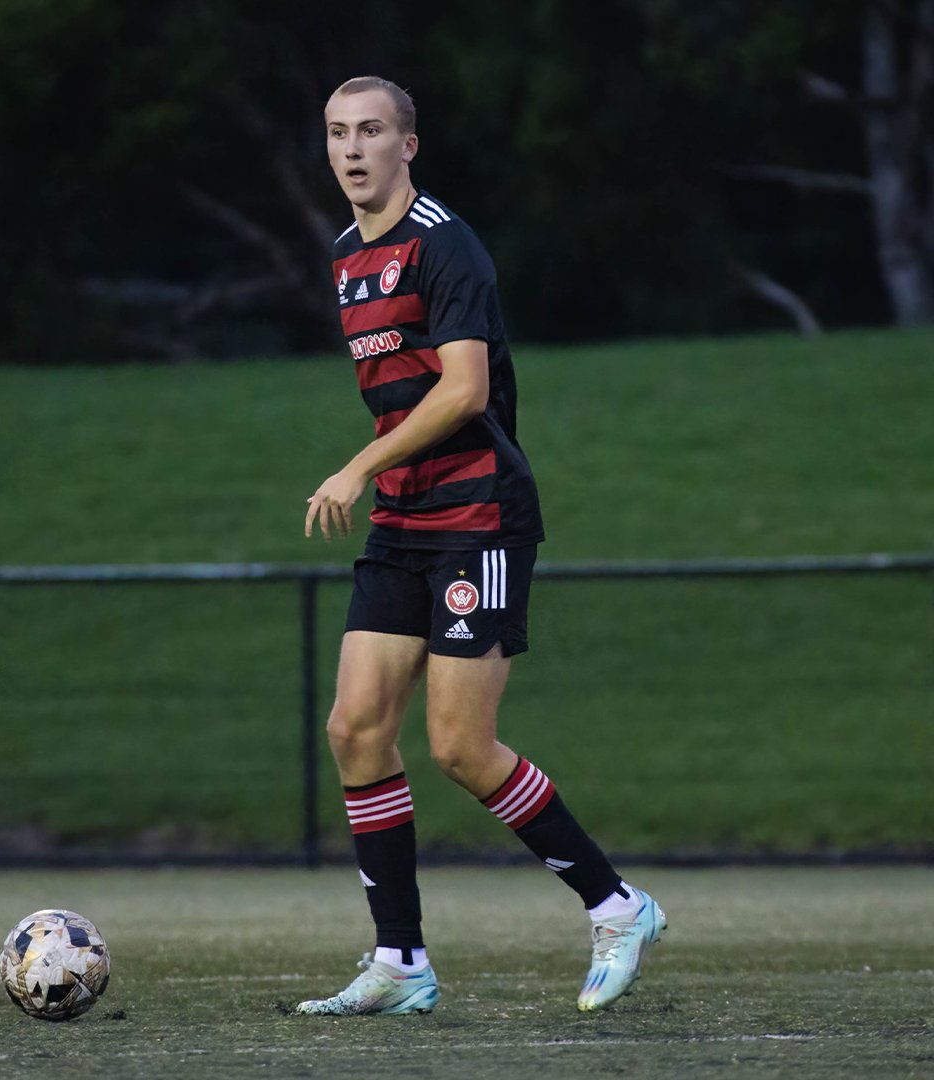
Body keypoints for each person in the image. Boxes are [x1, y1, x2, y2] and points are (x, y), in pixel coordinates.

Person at [296, 75, 665, 1017]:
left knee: (461, 745)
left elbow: (461, 391)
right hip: (404, 522)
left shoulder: (443, 243)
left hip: (477, 516)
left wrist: (356, 468)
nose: (352, 149)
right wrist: (384, 480)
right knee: (354, 729)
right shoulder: (345, 255)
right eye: (338, 132)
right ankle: (401, 961)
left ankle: (618, 907)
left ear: (408, 145)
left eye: (372, 131)